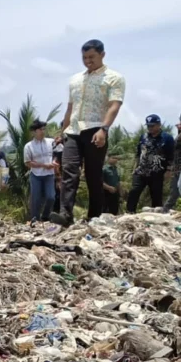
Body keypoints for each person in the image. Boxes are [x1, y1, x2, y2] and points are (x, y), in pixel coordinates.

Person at [53, 39, 125, 226]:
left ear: (102, 54)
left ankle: (94, 216)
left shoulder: (114, 78)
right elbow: (70, 108)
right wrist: (62, 132)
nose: (87, 61)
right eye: (84, 58)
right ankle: (65, 214)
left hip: (96, 129)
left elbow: (114, 105)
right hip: (74, 131)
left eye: (91, 57)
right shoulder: (75, 80)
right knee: (69, 171)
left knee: (93, 175)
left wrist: (104, 129)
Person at [126, 114, 175, 213]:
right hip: (141, 170)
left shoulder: (167, 138)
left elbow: (171, 155)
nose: (150, 128)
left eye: (152, 125)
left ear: (159, 125)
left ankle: (157, 216)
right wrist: (134, 168)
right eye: (148, 126)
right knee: (134, 191)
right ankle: (129, 212)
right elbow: (138, 153)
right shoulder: (143, 137)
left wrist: (169, 170)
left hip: (157, 172)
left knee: (156, 196)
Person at [23, 119, 57, 222]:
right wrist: (44, 165)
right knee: (36, 199)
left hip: (49, 174)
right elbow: (27, 163)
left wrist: (55, 162)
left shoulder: (51, 142)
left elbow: (58, 153)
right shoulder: (28, 146)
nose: (43, 131)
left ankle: (45, 216)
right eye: (40, 130)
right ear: (34, 132)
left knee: (51, 197)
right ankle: (35, 219)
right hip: (36, 175)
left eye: (44, 129)